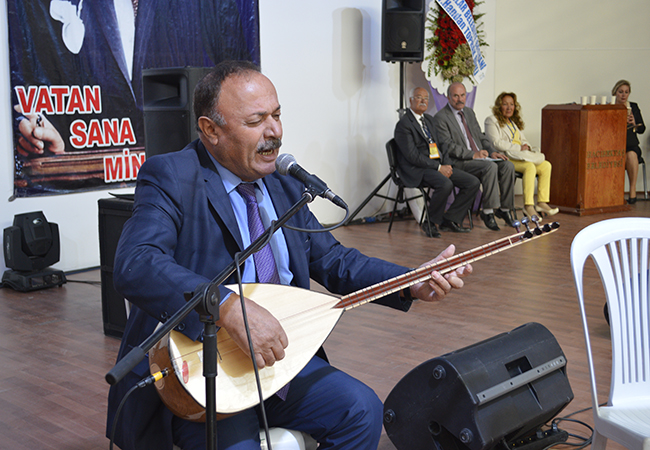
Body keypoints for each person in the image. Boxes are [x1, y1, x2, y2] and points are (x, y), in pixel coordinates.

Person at [106, 60, 472, 450]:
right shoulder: (172, 176)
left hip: (280, 359)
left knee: (362, 411)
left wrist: (411, 281)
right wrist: (227, 307)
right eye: (256, 121)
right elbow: (135, 262)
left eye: (277, 116)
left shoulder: (284, 183)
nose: (275, 132)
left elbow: (334, 261)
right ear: (211, 130)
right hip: (206, 373)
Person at [394, 87, 480, 238]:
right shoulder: (404, 125)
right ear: (411, 100)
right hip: (418, 168)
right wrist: (439, 167)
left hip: (437, 165)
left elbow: (443, 145)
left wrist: (446, 164)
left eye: (426, 98)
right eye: (419, 97)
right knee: (445, 184)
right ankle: (430, 223)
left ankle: (450, 219)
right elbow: (412, 156)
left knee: (472, 182)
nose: (423, 101)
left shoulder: (429, 120)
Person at [433, 82, 516, 231]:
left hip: (481, 157)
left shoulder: (469, 112)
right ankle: (488, 212)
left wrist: (491, 151)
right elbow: (448, 146)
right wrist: (473, 155)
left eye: (462, 95)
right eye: (455, 96)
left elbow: (481, 137)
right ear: (448, 97)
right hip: (460, 161)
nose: (460, 99)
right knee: (490, 167)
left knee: (508, 166)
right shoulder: (441, 117)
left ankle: (505, 209)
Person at [484, 92, 559, 219]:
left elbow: (523, 140)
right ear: (499, 106)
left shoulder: (513, 123)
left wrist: (526, 146)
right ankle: (528, 206)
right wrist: (519, 147)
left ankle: (541, 203)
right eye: (505, 104)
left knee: (546, 165)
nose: (509, 107)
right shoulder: (491, 120)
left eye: (511, 104)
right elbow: (496, 143)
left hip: (519, 156)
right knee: (529, 167)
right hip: (506, 157)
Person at [612, 80, 646, 204]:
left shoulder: (633, 107)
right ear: (615, 93)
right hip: (614, 145)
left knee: (631, 155)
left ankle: (632, 190)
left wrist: (634, 123)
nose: (623, 95)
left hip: (631, 145)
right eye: (620, 92)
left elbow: (642, 129)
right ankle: (614, 192)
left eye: (626, 92)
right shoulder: (610, 107)